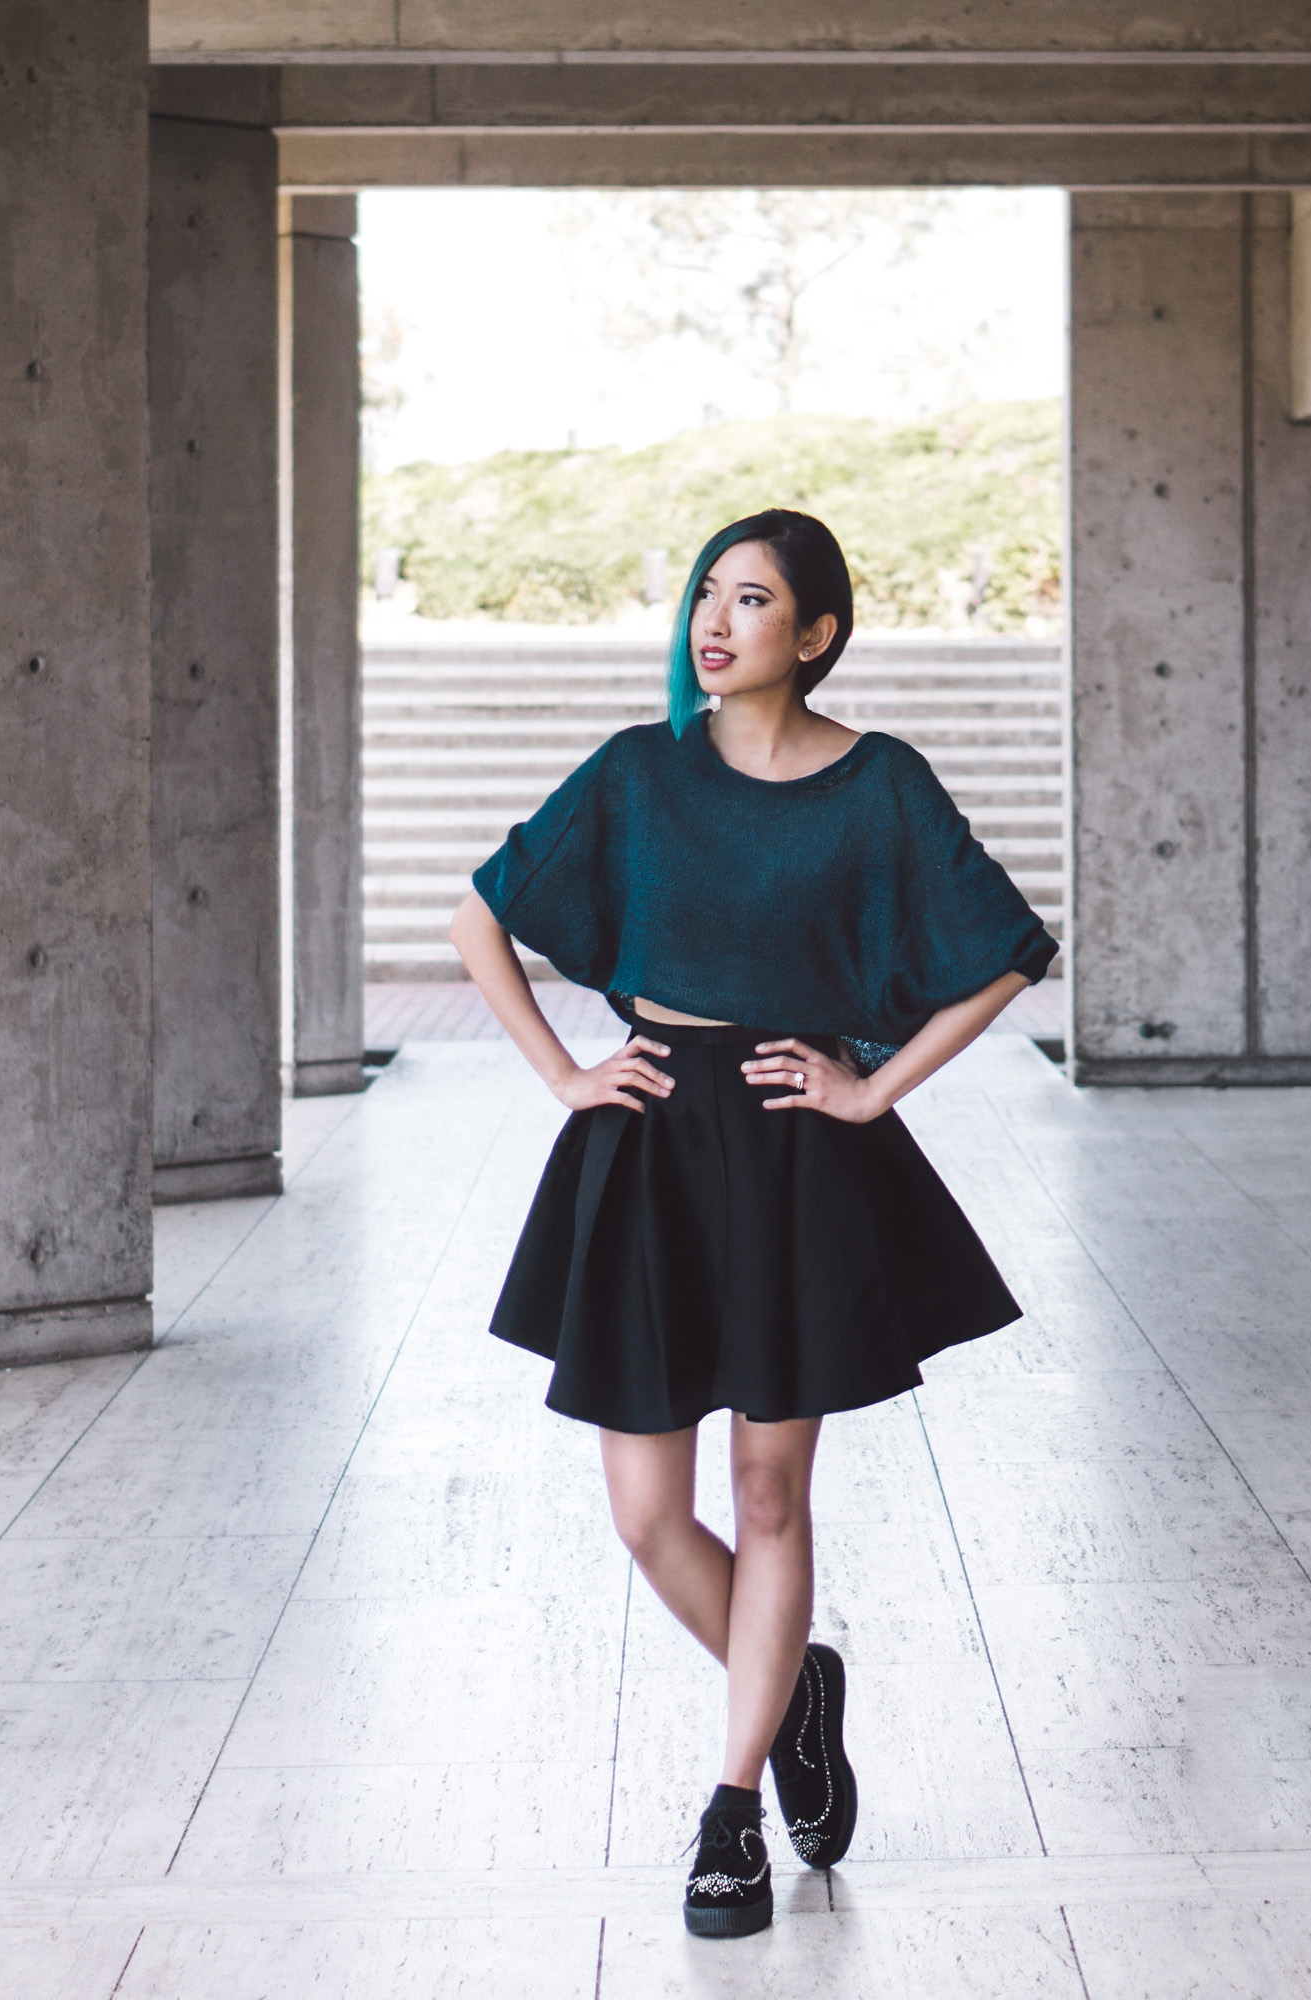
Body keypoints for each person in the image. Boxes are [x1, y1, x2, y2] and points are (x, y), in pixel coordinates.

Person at [449, 509, 1057, 1938]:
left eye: (754, 601)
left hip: (792, 1148)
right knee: (652, 1518)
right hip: (649, 1144)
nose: (714, 624)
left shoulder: (880, 786)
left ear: (818, 634)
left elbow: (1006, 955)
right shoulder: (638, 775)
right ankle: (794, 1700)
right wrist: (565, 1076)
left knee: (770, 1495)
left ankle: (730, 1814)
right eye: (706, 596)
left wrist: (871, 1093)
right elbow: (485, 919)